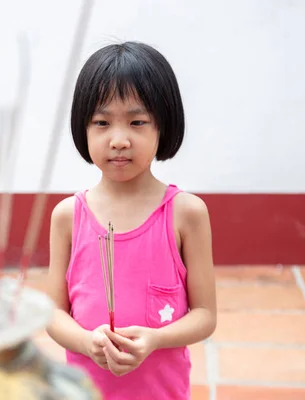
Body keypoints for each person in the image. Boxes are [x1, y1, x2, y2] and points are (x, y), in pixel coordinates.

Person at [45, 41, 217, 399]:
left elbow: (205, 314)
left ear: (162, 125)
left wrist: (157, 339)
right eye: (102, 122)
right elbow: (53, 314)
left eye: (137, 122)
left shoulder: (186, 214)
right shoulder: (67, 217)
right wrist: (87, 341)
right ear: (83, 128)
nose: (119, 140)